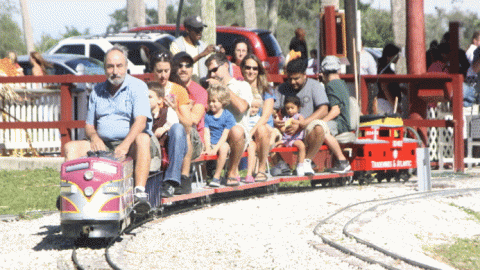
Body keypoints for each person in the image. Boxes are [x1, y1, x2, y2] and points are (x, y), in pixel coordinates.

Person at [63, 44, 152, 212]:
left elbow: (141, 122)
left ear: (126, 67)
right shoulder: (97, 91)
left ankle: (140, 194)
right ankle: (72, 194)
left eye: (119, 66)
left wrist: (125, 145)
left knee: (143, 138)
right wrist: (95, 138)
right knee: (71, 147)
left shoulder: (137, 87)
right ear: (104, 69)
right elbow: (89, 125)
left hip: (131, 144)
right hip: (103, 144)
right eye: (110, 66)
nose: (115, 71)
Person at [273, 57, 329, 176]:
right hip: (286, 130)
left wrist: (303, 124)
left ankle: (307, 161)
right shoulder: (282, 88)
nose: (293, 82)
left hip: (307, 128)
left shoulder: (315, 86)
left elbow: (324, 109)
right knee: (268, 132)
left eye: (296, 78)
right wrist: (275, 119)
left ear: (305, 75)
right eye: (290, 79)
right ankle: (281, 165)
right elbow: (273, 109)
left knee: (319, 128)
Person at [205, 53, 253, 186]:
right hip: (214, 134)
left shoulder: (242, 85)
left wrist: (222, 88)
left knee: (236, 130)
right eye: (210, 72)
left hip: (235, 136)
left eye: (215, 69)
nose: (212, 74)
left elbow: (242, 108)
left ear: (226, 66)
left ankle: (231, 172)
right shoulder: (209, 87)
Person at [151, 51, 192, 197]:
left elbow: (188, 124)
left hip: (175, 135)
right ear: (153, 71)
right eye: (159, 71)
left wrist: (175, 108)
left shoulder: (179, 91)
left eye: (166, 71)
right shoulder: (149, 90)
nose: (163, 75)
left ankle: (171, 181)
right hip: (153, 132)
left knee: (179, 129)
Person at [170, 51, 208, 194]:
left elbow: (193, 120)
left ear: (193, 69)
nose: (184, 69)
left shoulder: (200, 92)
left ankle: (184, 178)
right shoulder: (170, 87)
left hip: (195, 138)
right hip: (171, 131)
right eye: (179, 65)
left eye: (188, 65)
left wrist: (177, 109)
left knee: (185, 130)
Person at [240, 54, 275, 181]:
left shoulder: (266, 89)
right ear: (243, 68)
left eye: (255, 68)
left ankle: (261, 170)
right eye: (248, 67)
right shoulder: (238, 86)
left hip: (261, 128)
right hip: (245, 126)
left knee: (262, 129)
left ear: (259, 70)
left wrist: (251, 132)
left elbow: (265, 117)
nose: (251, 71)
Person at [319, 56, 351, 173]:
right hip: (345, 120)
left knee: (321, 130)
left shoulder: (331, 85)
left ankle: (342, 161)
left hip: (340, 122)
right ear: (338, 70)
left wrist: (322, 122)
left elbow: (335, 110)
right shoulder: (341, 83)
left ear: (323, 72)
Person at [203, 84, 236, 187]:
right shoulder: (207, 116)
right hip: (210, 142)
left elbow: (225, 135)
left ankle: (216, 177)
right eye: (210, 101)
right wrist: (208, 147)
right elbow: (206, 132)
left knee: (224, 148)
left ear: (222, 102)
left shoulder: (228, 116)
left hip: (221, 142)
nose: (211, 104)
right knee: (201, 148)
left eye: (214, 101)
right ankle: (204, 177)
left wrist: (215, 148)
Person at [170, 15, 217, 81]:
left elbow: (210, 65)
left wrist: (219, 55)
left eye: (201, 29)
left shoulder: (202, 45)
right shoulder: (177, 45)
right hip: (183, 84)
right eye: (197, 30)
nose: (200, 33)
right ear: (187, 30)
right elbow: (179, 65)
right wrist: (201, 55)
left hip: (201, 85)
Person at [275, 96, 307, 176]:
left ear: (298, 107)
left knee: (301, 146)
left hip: (296, 138)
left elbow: (303, 123)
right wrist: (280, 125)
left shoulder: (299, 116)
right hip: (286, 139)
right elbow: (283, 129)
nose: (290, 110)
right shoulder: (285, 118)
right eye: (287, 108)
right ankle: (283, 166)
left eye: (292, 108)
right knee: (275, 147)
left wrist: (295, 122)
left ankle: (300, 165)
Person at [245, 94, 263, 183]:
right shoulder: (245, 118)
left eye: (256, 107)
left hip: (254, 139)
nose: (253, 109)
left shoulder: (258, 118)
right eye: (251, 107)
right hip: (245, 139)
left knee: (253, 147)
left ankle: (251, 173)